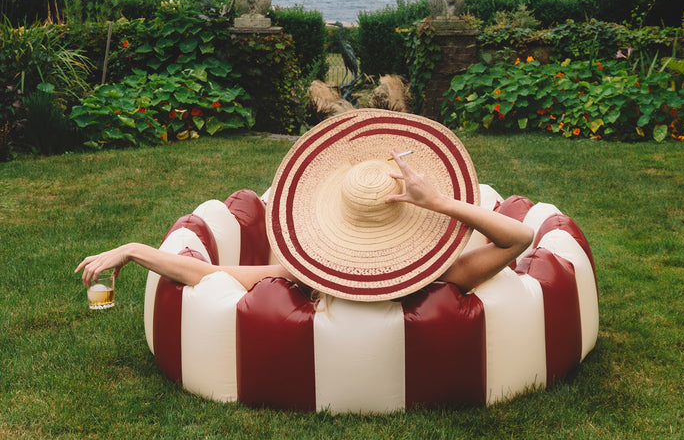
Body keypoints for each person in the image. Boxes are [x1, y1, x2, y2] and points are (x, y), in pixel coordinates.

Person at [76, 143, 533, 298]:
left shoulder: (309, 280)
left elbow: (209, 276)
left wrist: (135, 249)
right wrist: (440, 204)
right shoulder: (443, 277)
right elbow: (519, 239)